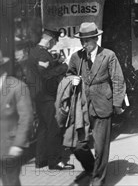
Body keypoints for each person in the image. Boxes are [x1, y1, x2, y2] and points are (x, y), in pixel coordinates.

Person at [67, 22, 126, 186]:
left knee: (100, 148)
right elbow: (68, 77)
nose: (83, 44)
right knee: (78, 145)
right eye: (81, 40)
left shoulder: (108, 55)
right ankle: (91, 167)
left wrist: (117, 103)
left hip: (102, 105)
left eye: (87, 40)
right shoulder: (76, 57)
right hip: (82, 106)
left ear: (95, 39)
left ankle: (98, 179)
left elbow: (118, 80)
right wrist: (72, 81)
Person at [28, 28, 73, 170]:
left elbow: (44, 68)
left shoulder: (34, 51)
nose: (54, 45)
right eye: (54, 42)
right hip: (46, 96)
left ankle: (40, 159)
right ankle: (55, 162)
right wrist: (64, 66)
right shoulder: (42, 54)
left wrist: (55, 62)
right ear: (49, 40)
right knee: (53, 127)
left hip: (37, 95)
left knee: (43, 127)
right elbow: (45, 74)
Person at [1, 50, 34, 186]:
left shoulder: (17, 87)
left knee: (11, 182)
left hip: (10, 147)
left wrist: (18, 144)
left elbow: (26, 117)